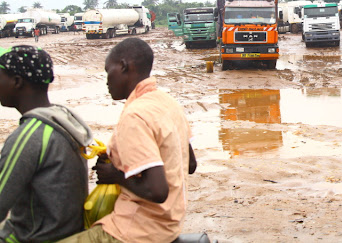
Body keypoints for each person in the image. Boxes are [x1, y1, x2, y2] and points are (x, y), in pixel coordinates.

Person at [62, 38, 197, 243]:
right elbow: (190, 164)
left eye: (108, 71)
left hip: (137, 230)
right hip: (170, 224)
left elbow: (157, 190)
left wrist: (116, 176)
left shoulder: (135, 116)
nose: (106, 81)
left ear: (124, 67)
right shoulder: (168, 102)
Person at [0, 45, 92, 242]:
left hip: (34, 237)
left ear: (17, 82)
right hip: (67, 230)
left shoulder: (30, 136)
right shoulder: (63, 120)